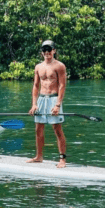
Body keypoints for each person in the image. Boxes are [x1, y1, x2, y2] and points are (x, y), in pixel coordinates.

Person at [27, 40, 67, 168]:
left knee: (57, 129)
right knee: (38, 129)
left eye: (49, 50)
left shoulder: (59, 66)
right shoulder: (38, 67)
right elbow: (35, 86)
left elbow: (62, 86)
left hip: (53, 99)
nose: (47, 53)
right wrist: (34, 104)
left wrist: (57, 105)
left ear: (54, 51)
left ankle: (62, 159)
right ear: (41, 52)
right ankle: (39, 157)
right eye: (44, 50)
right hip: (41, 99)